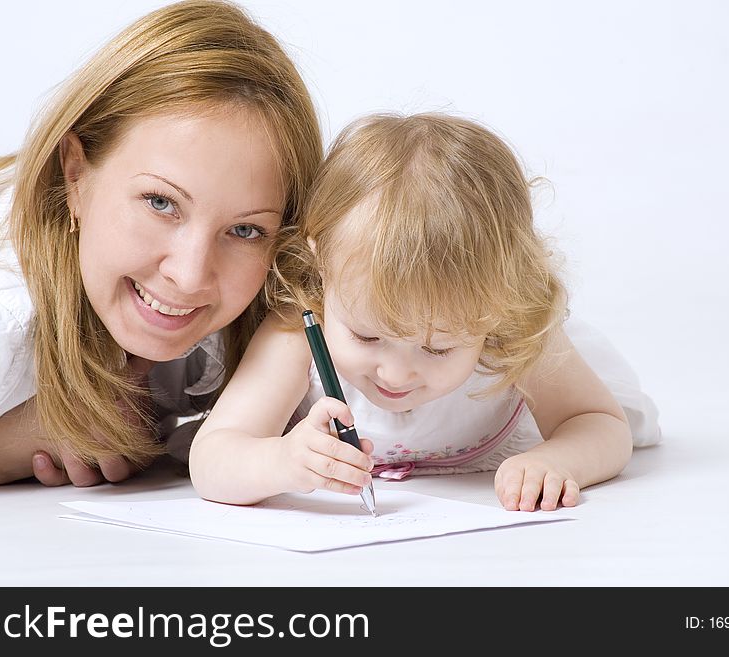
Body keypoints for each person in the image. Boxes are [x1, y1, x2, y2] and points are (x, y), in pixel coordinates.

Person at [0, 0, 322, 490]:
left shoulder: (258, 305)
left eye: (244, 230)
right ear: (75, 176)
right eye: (159, 202)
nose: (191, 275)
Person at [189, 112, 661, 511]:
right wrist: (281, 462)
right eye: (368, 337)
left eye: (438, 348)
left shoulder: (512, 332)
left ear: (498, 302)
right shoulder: (299, 329)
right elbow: (212, 458)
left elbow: (600, 424)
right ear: (321, 265)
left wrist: (559, 461)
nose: (397, 373)